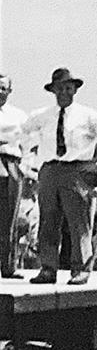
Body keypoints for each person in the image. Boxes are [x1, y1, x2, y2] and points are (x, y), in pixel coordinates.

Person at [20, 68, 97, 285]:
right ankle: (47, 269)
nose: (63, 92)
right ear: (53, 90)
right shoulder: (42, 116)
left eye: (68, 87)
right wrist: (30, 163)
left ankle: (80, 270)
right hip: (49, 171)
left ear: (75, 89)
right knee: (48, 221)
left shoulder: (87, 116)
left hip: (76, 170)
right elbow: (23, 134)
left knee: (78, 223)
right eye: (59, 88)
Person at [0, 74, 32, 278]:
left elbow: (29, 144)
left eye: (3, 88)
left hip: (10, 163)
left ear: (10, 91)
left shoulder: (19, 116)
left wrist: (26, 168)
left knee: (9, 218)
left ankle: (8, 266)